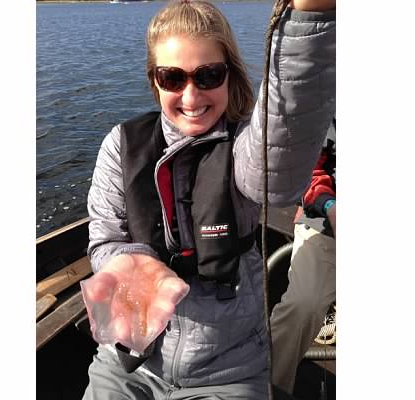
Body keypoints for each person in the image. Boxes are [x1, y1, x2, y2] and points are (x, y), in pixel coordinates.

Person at [82, 0, 336, 398]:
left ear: (229, 77)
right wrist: (138, 269)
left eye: (208, 75)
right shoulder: (120, 145)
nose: (190, 95)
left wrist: (310, 16)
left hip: (228, 369)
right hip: (128, 361)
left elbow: (282, 151)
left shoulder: (245, 150)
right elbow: (103, 237)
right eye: (172, 77)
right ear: (155, 81)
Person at [270, 118, 336, 395]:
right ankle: (266, 387)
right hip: (326, 224)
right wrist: (330, 205)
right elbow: (305, 171)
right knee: (302, 304)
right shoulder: (328, 104)